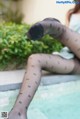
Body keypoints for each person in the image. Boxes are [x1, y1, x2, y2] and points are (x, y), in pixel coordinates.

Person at [8, 17, 80, 119]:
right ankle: (18, 113)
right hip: (72, 57)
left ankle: (56, 28)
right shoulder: (72, 13)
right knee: (35, 59)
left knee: (64, 31)